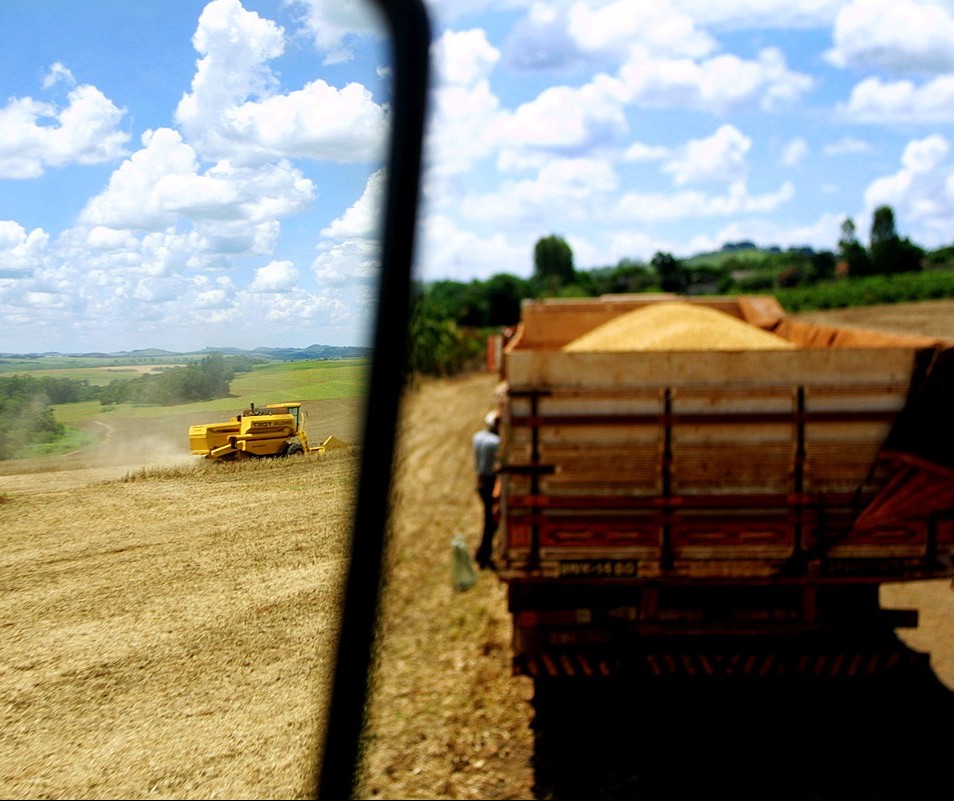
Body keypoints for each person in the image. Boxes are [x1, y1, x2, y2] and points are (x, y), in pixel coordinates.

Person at [472, 409, 501, 569]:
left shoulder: (477, 437)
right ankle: (483, 553)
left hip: (480, 481)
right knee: (492, 520)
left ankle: (482, 551)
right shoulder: (496, 442)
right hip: (491, 483)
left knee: (488, 518)